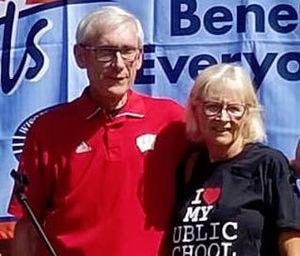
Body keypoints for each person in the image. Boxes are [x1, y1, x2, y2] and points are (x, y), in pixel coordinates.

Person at [9, 6, 188, 256]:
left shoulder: (172, 120)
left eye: (127, 51)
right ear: (80, 56)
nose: (118, 65)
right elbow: (28, 225)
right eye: (105, 52)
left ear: (139, 58)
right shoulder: (48, 129)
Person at [168, 63, 300, 256]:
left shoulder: (268, 164)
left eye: (233, 109)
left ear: (248, 114)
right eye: (212, 107)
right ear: (196, 110)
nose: (223, 118)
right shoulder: (190, 166)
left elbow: (291, 241)